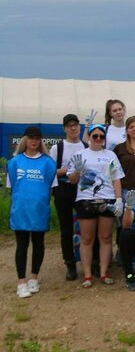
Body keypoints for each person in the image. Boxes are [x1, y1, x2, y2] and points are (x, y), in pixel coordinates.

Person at [67, 124, 125, 287]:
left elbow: (116, 178)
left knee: (106, 238)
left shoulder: (111, 155)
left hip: (107, 198)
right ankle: (87, 275)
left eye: (101, 136)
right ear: (90, 137)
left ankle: (103, 273)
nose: (98, 139)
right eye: (95, 136)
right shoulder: (80, 154)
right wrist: (77, 171)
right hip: (85, 200)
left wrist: (119, 199)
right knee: (87, 239)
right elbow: (72, 180)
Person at [7, 126, 57, 298]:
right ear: (25, 140)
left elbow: (51, 187)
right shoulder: (14, 162)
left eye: (37, 138)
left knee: (38, 243)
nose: (34, 141)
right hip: (20, 210)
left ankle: (34, 278)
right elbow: (12, 186)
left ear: (41, 140)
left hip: (39, 210)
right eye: (31, 137)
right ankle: (21, 282)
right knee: (22, 244)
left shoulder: (48, 163)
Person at [49, 114, 87, 281]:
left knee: (87, 226)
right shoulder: (58, 148)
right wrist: (64, 170)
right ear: (64, 128)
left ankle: (90, 260)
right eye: (69, 125)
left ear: (79, 127)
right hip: (63, 189)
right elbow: (49, 171)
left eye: (76, 125)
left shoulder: (86, 146)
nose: (73, 128)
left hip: (83, 189)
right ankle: (70, 264)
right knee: (66, 229)